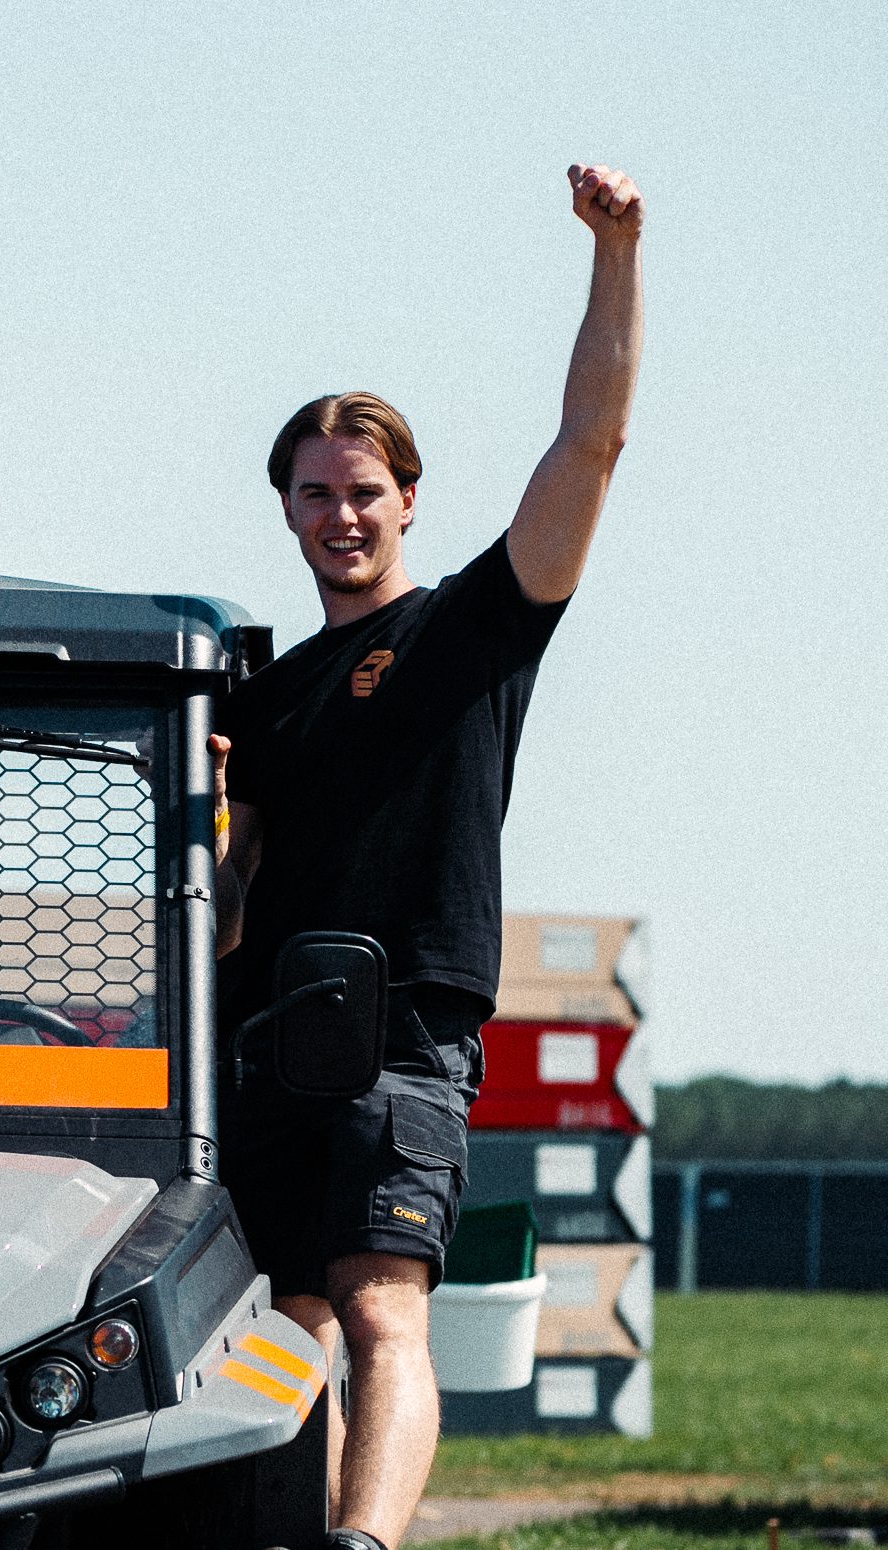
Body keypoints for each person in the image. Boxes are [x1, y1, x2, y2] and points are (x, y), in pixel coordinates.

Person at [212, 163, 644, 1550]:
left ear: (409, 499)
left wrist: (615, 254)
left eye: (362, 491)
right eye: (313, 494)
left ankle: (365, 1544)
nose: (339, 515)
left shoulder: (471, 628)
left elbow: (590, 445)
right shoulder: (262, 697)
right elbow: (230, 898)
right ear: (285, 509)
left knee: (381, 1304)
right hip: (267, 1041)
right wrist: (207, 820)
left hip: (403, 1032)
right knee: (287, 1326)